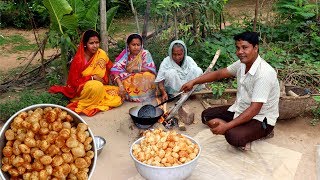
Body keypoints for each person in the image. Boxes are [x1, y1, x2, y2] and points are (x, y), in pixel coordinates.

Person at [181, 31, 280, 150]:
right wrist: (193, 82)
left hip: (261, 118)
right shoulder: (242, 64)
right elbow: (219, 74)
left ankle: (261, 132)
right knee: (206, 116)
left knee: (233, 136)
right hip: (241, 108)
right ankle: (240, 128)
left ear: (255, 48)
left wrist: (226, 126)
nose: (240, 52)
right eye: (238, 48)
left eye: (245, 47)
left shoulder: (264, 73)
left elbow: (254, 109)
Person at [49, 30, 122, 116]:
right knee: (96, 86)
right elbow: (74, 83)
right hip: (84, 90)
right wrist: (92, 77)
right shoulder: (79, 60)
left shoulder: (101, 54)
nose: (95, 46)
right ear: (85, 44)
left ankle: (97, 98)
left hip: (101, 87)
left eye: (97, 42)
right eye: (91, 43)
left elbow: (111, 68)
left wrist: (120, 83)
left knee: (117, 93)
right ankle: (85, 103)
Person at [110, 34, 157, 102]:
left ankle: (142, 96)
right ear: (128, 45)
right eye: (133, 45)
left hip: (142, 77)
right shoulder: (125, 54)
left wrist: (138, 69)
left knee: (149, 76)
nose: (136, 47)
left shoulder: (145, 53)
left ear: (141, 45)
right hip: (128, 77)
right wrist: (120, 84)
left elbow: (151, 69)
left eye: (138, 45)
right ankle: (128, 95)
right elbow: (115, 69)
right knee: (120, 78)